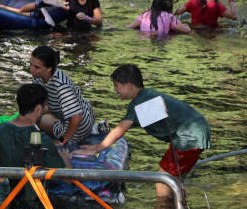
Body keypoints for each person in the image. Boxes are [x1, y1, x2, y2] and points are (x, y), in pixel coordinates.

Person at [78, 64, 210, 200]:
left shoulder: (140, 102)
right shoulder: (147, 96)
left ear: (129, 86)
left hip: (189, 135)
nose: (115, 89)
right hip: (195, 130)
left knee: (162, 177)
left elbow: (120, 129)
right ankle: (177, 208)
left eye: (117, 85)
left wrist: (97, 149)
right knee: (173, 174)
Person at [0, 83, 72, 170]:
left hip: (2, 190)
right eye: (45, 105)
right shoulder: (42, 141)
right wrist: (66, 160)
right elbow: (67, 178)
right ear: (39, 108)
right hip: (30, 192)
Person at [28, 46, 96, 145]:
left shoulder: (61, 87)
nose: (31, 69)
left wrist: (62, 141)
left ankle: (78, 133)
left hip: (80, 126)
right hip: (82, 110)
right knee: (34, 113)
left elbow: (77, 117)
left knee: (39, 120)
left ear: (49, 69)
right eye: (30, 64)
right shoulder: (38, 76)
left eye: (36, 67)